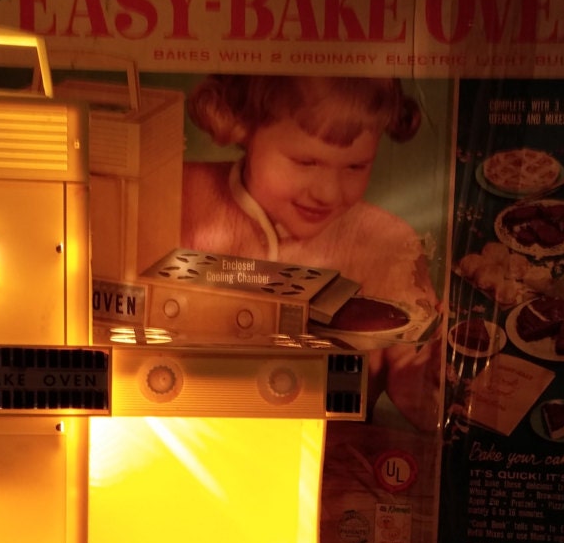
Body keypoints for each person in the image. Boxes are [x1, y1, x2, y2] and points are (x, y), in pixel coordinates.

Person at [181, 74, 442, 431]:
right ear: (243, 128)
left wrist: (424, 379)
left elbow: (420, 395)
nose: (329, 193)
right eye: (306, 162)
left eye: (356, 166)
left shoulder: (389, 242)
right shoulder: (179, 195)